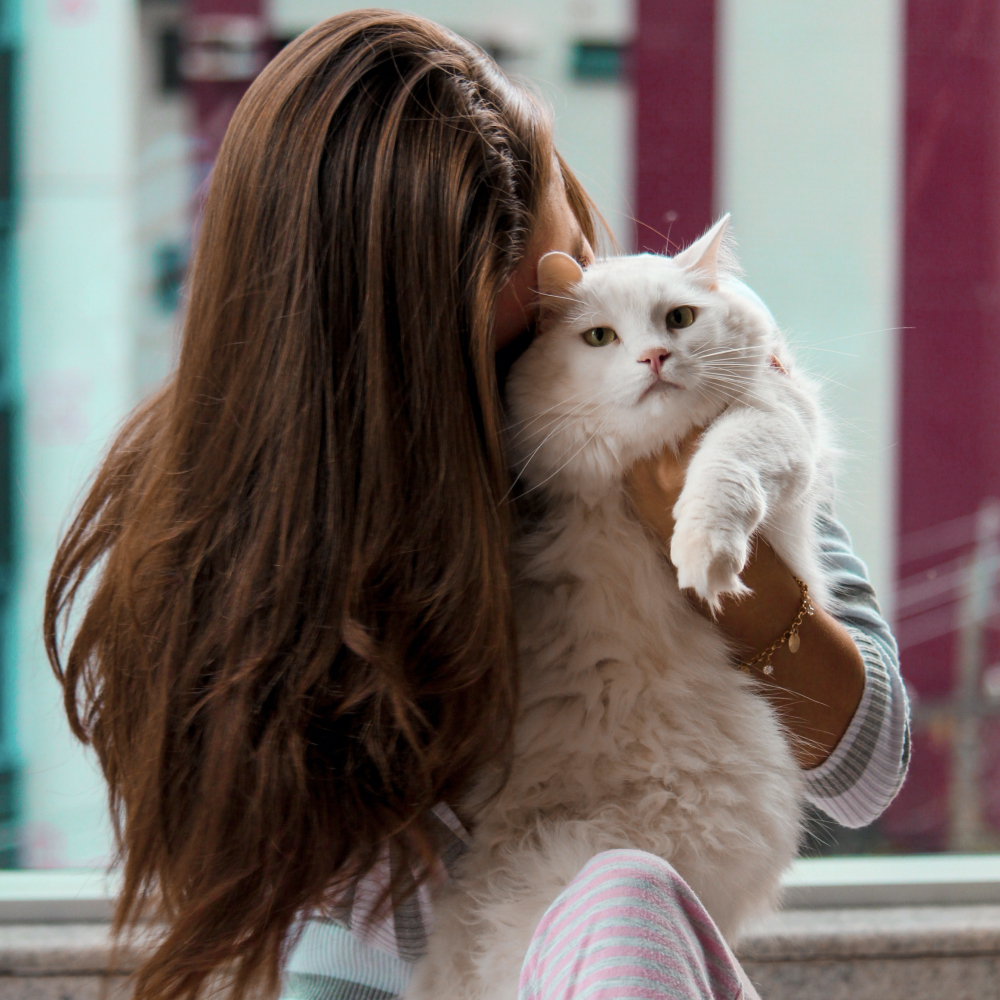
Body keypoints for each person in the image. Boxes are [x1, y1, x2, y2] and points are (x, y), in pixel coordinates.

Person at [44, 12, 908, 1000]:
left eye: (566, 261)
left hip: (608, 949)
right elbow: (351, 928)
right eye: (501, 353)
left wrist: (718, 536)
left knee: (619, 900)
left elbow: (867, 768)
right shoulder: (266, 537)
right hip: (403, 972)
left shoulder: (675, 364)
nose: (547, 359)